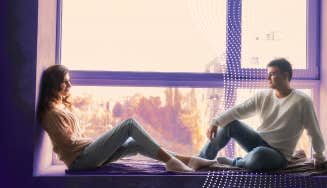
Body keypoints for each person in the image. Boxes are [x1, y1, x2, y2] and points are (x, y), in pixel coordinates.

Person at [36, 64, 216, 172]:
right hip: (79, 161)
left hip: (85, 154)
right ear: (53, 84)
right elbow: (69, 146)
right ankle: (171, 162)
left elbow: (75, 141)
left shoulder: (59, 107)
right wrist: (97, 143)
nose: (69, 85)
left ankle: (190, 160)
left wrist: (96, 143)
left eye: (69, 80)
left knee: (135, 144)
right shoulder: (50, 114)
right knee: (129, 125)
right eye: (65, 81)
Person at [198, 58, 325, 171]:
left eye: (272, 74)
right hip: (258, 141)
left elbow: (314, 131)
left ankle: (236, 162)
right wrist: (215, 122)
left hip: (278, 155)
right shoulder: (263, 95)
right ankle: (201, 160)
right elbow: (238, 110)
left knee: (260, 155)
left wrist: (319, 157)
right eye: (268, 74)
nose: (268, 78)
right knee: (230, 124)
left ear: (285, 75)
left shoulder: (302, 101)